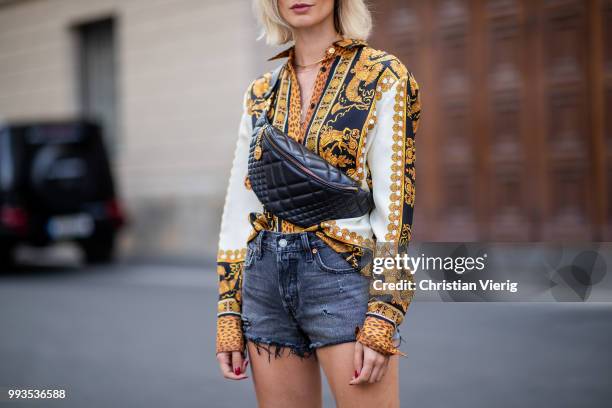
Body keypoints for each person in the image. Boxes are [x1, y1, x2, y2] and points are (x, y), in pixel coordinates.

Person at [215, 1, 421, 406]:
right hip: (264, 278)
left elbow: (395, 208)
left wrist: (384, 312)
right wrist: (228, 310)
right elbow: (241, 207)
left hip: (342, 274)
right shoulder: (260, 92)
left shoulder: (383, 74)